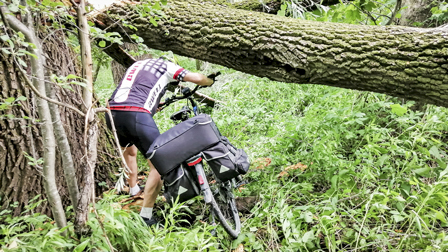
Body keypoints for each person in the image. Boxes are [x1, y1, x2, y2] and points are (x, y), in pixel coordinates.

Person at [106, 57, 216, 226]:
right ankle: (146, 217)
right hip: (136, 113)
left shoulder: (137, 65)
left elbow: (137, 89)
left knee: (130, 150)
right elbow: (196, 79)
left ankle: (134, 189)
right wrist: (209, 80)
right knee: (159, 165)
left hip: (112, 112)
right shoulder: (166, 66)